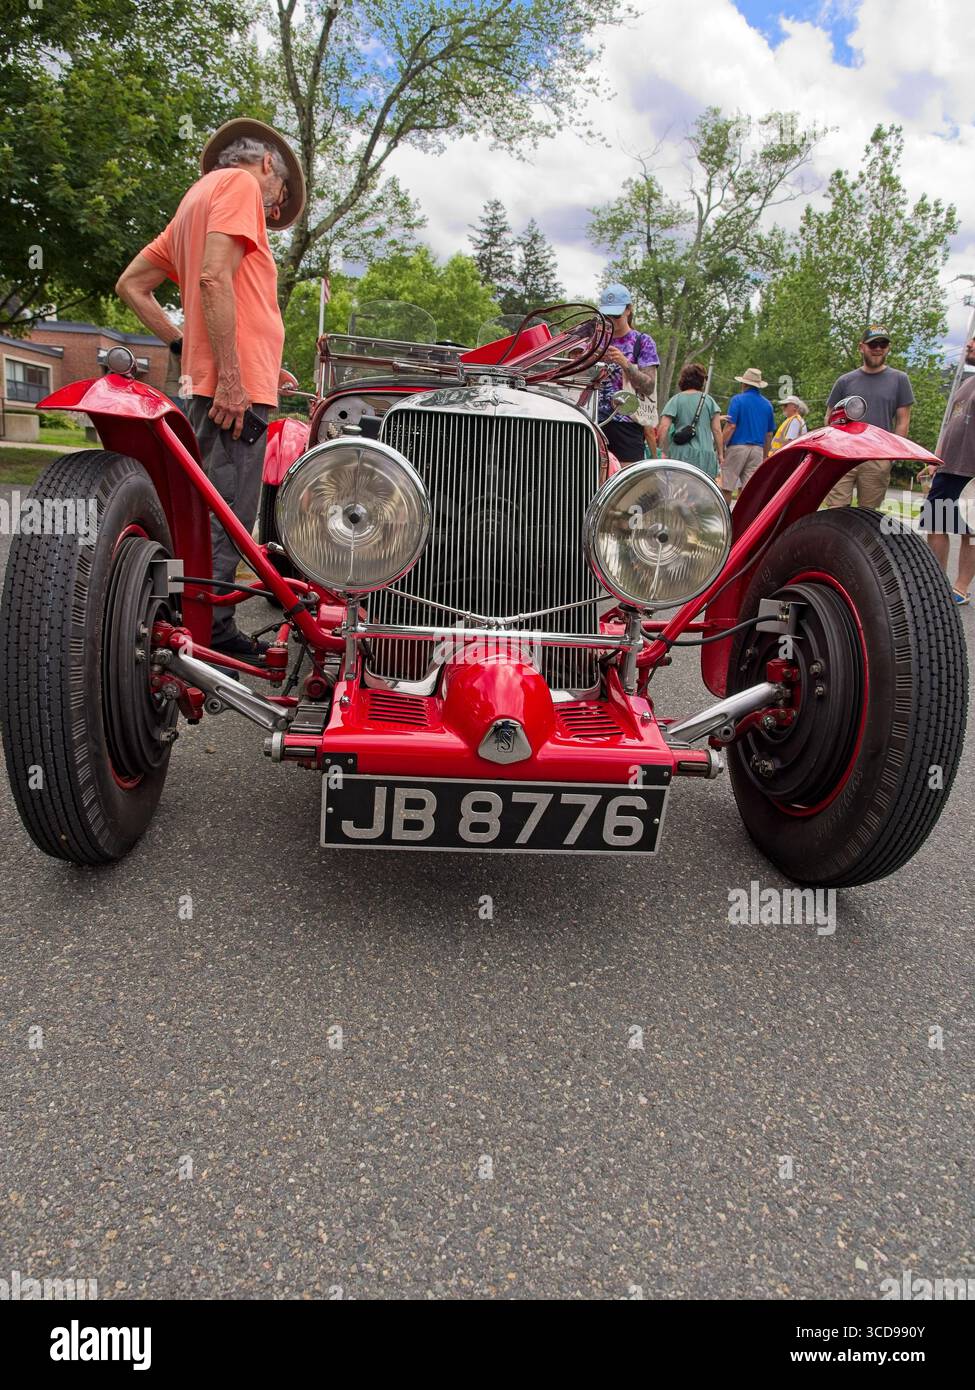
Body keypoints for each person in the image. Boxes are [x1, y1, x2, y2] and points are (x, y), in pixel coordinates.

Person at [115, 117, 306, 661]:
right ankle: (209, 633)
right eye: (280, 196)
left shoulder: (193, 203)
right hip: (229, 390)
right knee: (226, 516)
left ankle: (182, 618)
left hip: (228, 379)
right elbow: (212, 278)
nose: (274, 210)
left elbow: (132, 285)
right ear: (267, 163)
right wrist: (230, 377)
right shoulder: (241, 186)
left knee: (204, 510)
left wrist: (187, 347)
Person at [823, 327, 914, 510]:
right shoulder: (845, 381)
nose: (878, 348)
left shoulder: (899, 379)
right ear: (861, 347)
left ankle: (862, 540)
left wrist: (891, 457)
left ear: (888, 348)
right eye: (873, 344)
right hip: (843, 456)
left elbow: (903, 421)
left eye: (883, 344)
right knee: (836, 510)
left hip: (877, 456)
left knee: (868, 515)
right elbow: (829, 418)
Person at [917, 335, 975, 605]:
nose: (969, 345)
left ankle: (961, 587)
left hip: (971, 472)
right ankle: (937, 583)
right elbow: (950, 427)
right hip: (948, 467)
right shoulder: (966, 384)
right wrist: (934, 460)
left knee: (970, 532)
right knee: (935, 523)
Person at [596, 283, 660, 465]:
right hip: (594, 422)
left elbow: (649, 386)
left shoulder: (643, 341)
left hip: (627, 423)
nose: (612, 321)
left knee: (626, 485)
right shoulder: (595, 339)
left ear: (628, 310)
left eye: (616, 315)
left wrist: (625, 364)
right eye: (606, 316)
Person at [657, 362, 723, 480]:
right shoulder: (710, 401)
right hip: (705, 454)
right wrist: (720, 454)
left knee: (678, 491)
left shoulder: (676, 400)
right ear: (702, 380)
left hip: (680, 453)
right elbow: (717, 430)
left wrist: (659, 450)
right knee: (702, 491)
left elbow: (663, 427)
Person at [720, 366, 775, 502]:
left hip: (737, 447)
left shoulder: (737, 400)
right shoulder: (767, 405)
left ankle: (725, 518)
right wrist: (765, 455)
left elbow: (731, 426)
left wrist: (720, 445)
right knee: (749, 489)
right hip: (757, 449)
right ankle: (745, 521)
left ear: (744, 384)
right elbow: (768, 434)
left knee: (727, 486)